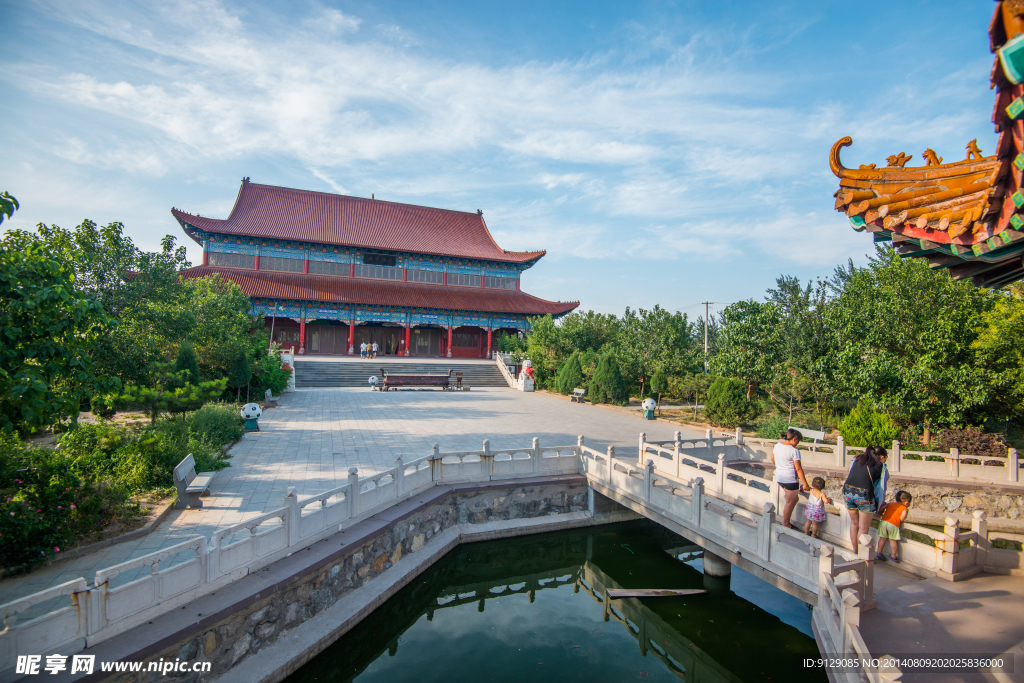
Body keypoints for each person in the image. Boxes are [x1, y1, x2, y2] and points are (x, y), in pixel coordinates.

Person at [842, 445, 887, 550]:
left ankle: (855, 551)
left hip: (847, 491)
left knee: (854, 523)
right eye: (885, 458)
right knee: (863, 527)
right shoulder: (880, 466)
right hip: (863, 495)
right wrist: (879, 504)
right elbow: (880, 488)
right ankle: (862, 556)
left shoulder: (858, 459)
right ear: (881, 457)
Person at [771, 428, 810, 528]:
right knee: (790, 501)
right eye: (798, 441)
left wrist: (781, 466)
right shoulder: (794, 451)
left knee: (793, 499)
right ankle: (786, 523)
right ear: (795, 439)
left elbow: (772, 459)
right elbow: (798, 469)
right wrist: (805, 484)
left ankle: (786, 521)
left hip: (780, 477)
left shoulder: (777, 446)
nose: (798, 443)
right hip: (790, 479)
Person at [875, 491, 912, 563]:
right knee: (893, 540)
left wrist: (880, 513)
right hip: (893, 524)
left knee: (882, 538)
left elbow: (882, 507)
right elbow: (902, 517)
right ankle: (893, 556)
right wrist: (899, 520)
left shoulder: (890, 504)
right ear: (907, 502)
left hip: (884, 522)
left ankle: (879, 552)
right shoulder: (904, 508)